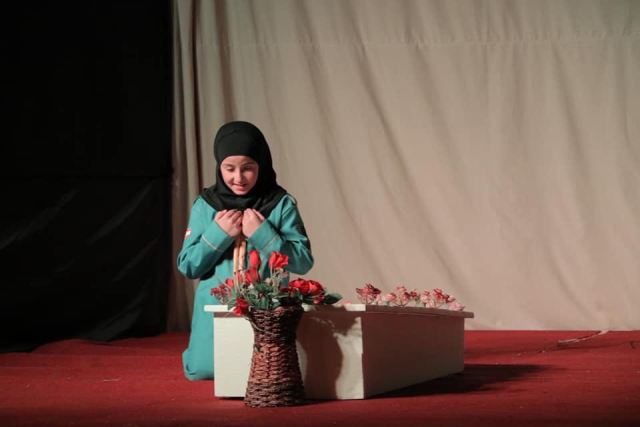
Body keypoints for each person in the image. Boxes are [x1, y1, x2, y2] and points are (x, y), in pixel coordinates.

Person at [176, 121, 314, 380]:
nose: (238, 178)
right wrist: (217, 234)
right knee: (205, 370)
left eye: (248, 168)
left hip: (267, 309)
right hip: (215, 308)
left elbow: (303, 262)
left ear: (261, 164)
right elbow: (188, 266)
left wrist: (263, 234)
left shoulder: (279, 203)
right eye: (229, 168)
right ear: (219, 166)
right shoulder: (206, 205)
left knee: (268, 371)